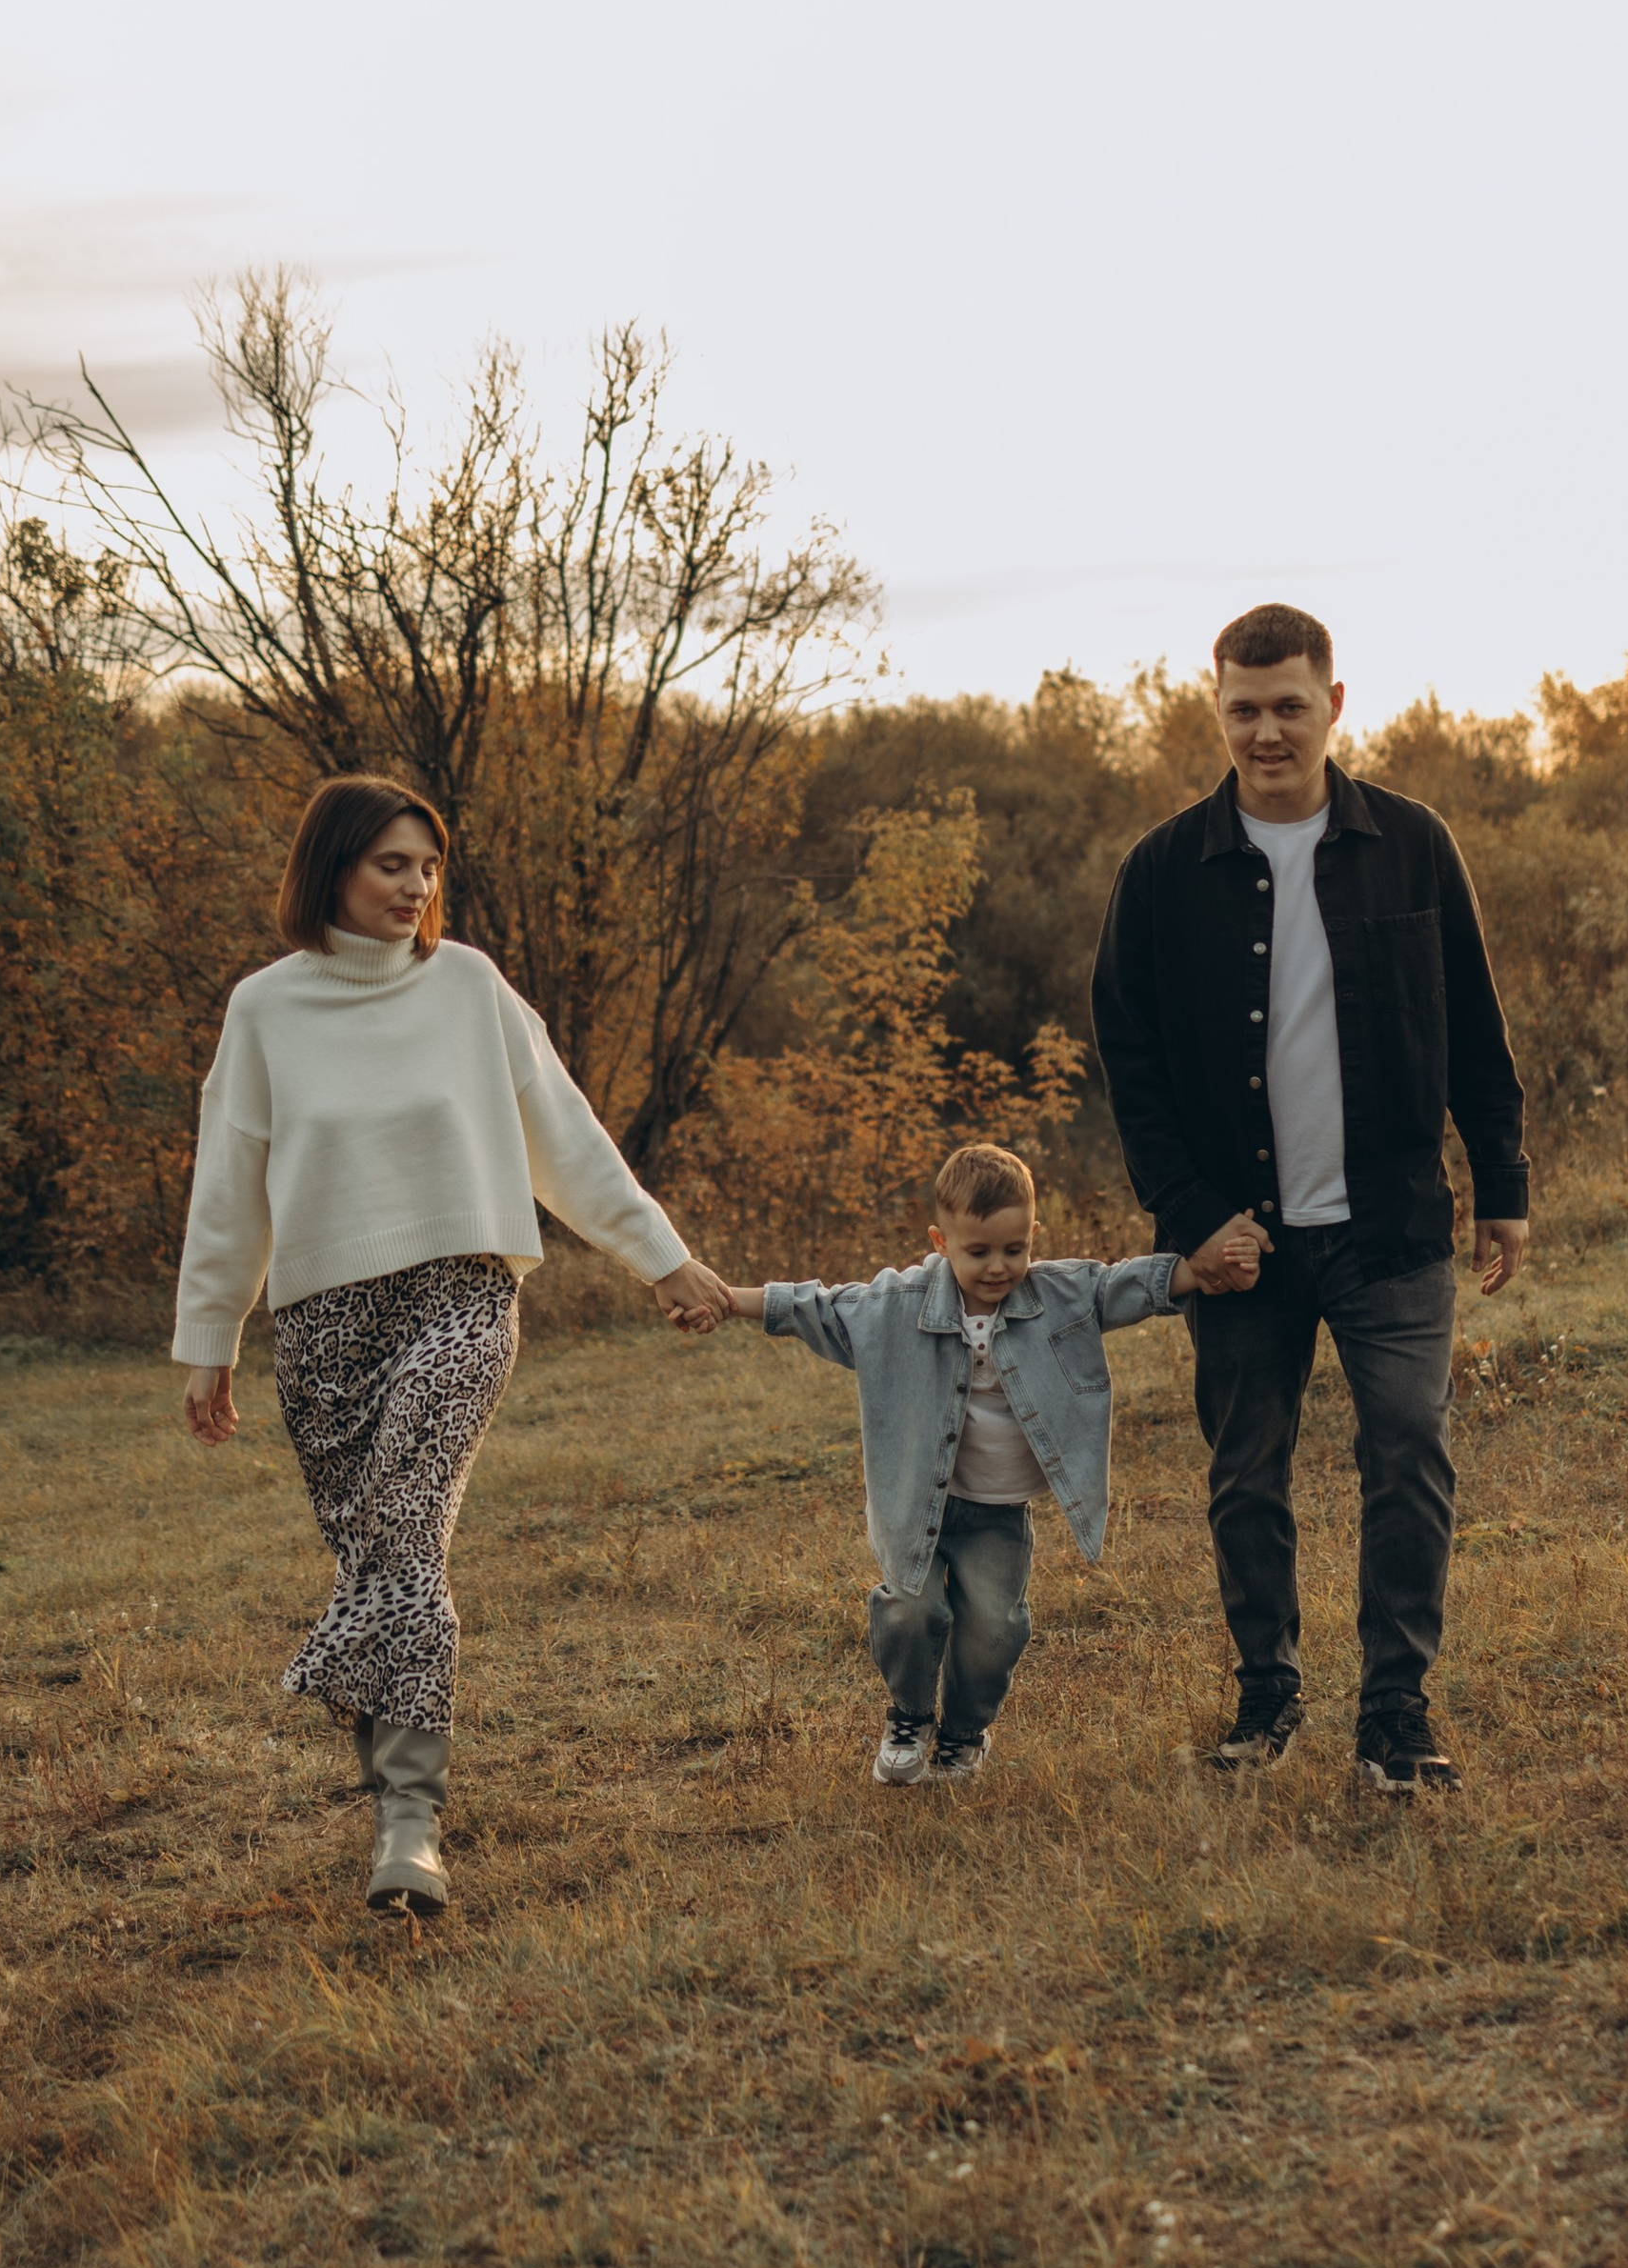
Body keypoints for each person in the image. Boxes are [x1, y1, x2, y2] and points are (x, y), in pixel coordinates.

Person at [172, 773, 731, 1915]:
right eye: (392, 864)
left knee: (407, 1533)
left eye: (428, 867)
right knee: (381, 1560)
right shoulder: (265, 1009)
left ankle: (411, 1828)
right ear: (331, 868)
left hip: (461, 1296)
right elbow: (229, 1190)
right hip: (324, 1328)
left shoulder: (470, 987)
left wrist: (663, 1259)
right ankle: (388, 1795)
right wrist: (209, 1337)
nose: (416, 886)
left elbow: (565, 1141)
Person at [1090, 603, 1529, 1793]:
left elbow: (1472, 1023)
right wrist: (1192, 1221)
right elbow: (1128, 1070)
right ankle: (1266, 1693)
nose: (1266, 732)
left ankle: (1394, 1710)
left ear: (1333, 703)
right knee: (1246, 1472)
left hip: (1389, 1225)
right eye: (1243, 709)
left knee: (1408, 1454)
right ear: (1214, 705)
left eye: (1288, 706)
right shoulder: (1163, 872)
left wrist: (1501, 1181)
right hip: (1241, 1244)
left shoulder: (1412, 842)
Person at [720, 1143, 1263, 1786]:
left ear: (1033, 1234)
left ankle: (962, 1734)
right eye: (978, 1252)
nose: (999, 1267)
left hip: (998, 1516)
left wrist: (1206, 1267)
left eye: (1015, 1248)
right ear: (941, 1240)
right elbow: (819, 1305)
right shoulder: (898, 1304)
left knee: (993, 1631)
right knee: (910, 1610)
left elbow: (1130, 1285)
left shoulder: (1059, 1295)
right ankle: (911, 1714)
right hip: (918, 1505)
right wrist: (728, 1299)